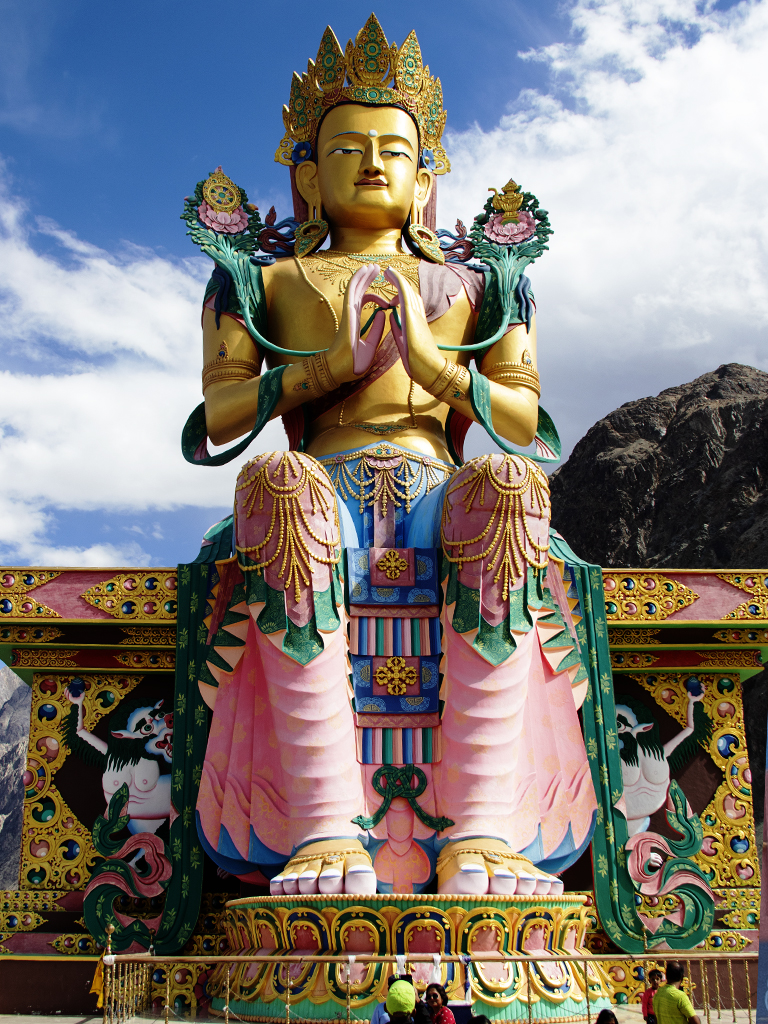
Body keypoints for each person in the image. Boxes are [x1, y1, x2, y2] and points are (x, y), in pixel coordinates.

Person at [188, 13, 598, 897]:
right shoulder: (267, 281)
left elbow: (523, 420)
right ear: (309, 175)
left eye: (394, 150)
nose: (373, 163)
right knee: (278, 483)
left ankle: (481, 829)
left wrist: (432, 366)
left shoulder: (479, 286)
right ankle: (323, 827)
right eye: (348, 148)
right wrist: (327, 369)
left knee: (508, 482)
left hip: (443, 487)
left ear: (424, 178)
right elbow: (221, 417)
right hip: (319, 484)